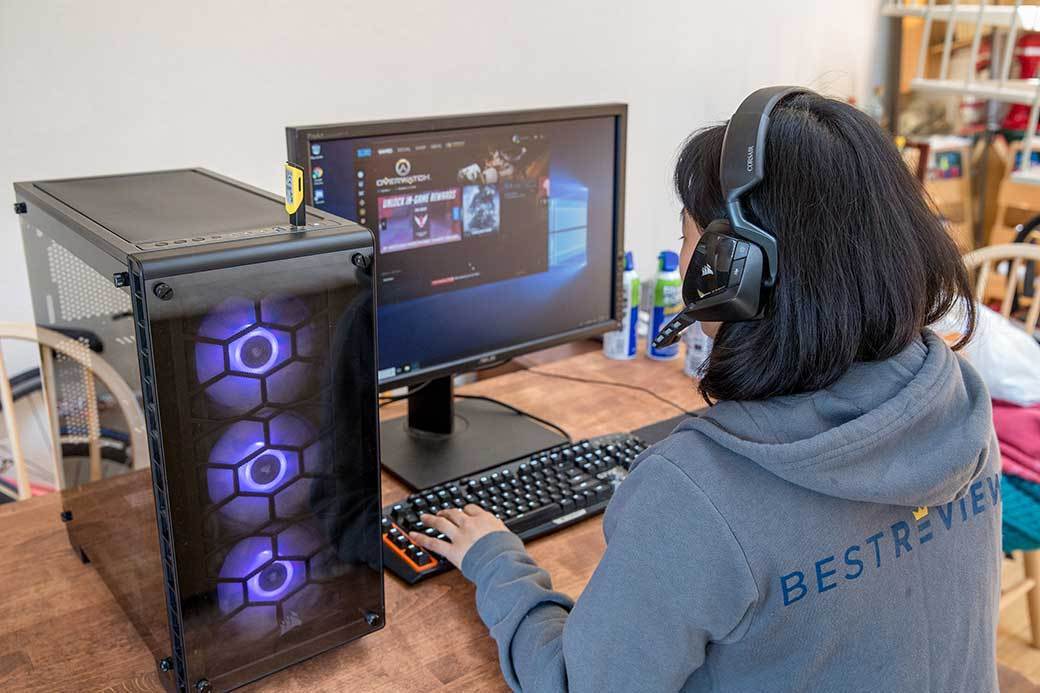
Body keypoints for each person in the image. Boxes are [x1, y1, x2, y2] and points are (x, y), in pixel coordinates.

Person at [408, 90, 1000, 691]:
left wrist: (495, 560)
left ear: (734, 271)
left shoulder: (698, 489)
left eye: (687, 235)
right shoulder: (955, 399)